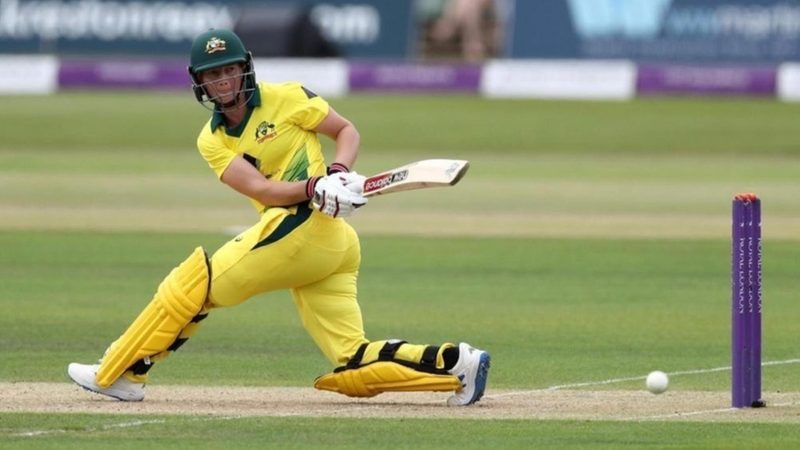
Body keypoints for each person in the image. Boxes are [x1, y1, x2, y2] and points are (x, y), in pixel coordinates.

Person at [67, 29, 490, 406]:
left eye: (229, 69)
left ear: (245, 69)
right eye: (212, 75)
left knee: (194, 285)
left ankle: (122, 372)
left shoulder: (286, 97)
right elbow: (262, 190)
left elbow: (345, 131)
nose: (223, 81)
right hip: (314, 240)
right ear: (200, 82)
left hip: (306, 231)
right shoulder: (211, 140)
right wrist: (314, 186)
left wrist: (338, 172)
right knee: (353, 359)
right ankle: (457, 364)